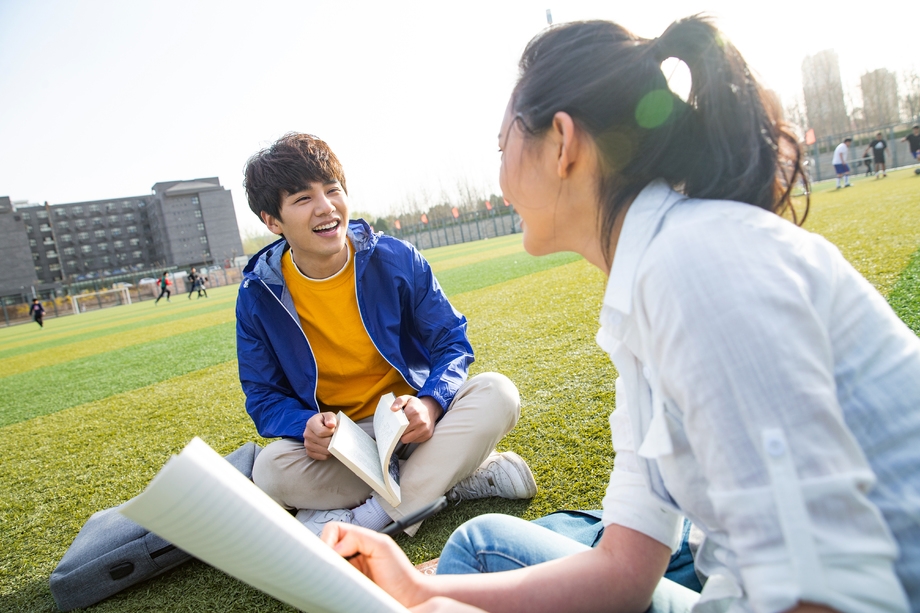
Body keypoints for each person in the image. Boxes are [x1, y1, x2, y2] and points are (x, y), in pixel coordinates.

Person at [322, 16, 920, 613]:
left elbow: (825, 598)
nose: (500, 179)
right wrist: (418, 588)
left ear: (562, 143)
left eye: (503, 148)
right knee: (473, 556)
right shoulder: (648, 286)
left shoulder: (695, 268)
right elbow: (624, 567)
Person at [237, 133, 536, 538]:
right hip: (346, 445)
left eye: (332, 190)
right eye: (303, 199)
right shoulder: (259, 295)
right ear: (272, 220)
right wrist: (306, 423)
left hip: (414, 420)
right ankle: (452, 478)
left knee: (498, 393)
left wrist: (430, 404)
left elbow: (451, 341)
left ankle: (372, 517)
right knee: (270, 469)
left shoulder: (396, 258)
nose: (326, 208)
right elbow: (263, 395)